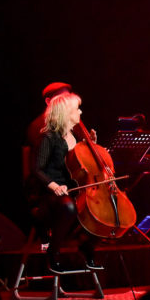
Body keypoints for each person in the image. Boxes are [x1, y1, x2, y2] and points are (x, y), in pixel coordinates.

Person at [28, 92, 102, 272]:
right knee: (69, 207)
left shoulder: (73, 137)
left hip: (71, 190)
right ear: (66, 113)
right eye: (77, 109)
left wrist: (91, 146)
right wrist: (54, 186)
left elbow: (76, 164)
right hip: (49, 194)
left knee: (100, 212)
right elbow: (37, 169)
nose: (81, 112)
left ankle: (86, 246)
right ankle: (53, 253)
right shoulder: (48, 137)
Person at [27, 82, 74, 150]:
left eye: (69, 98)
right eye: (63, 99)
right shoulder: (36, 126)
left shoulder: (70, 121)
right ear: (48, 101)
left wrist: (87, 144)